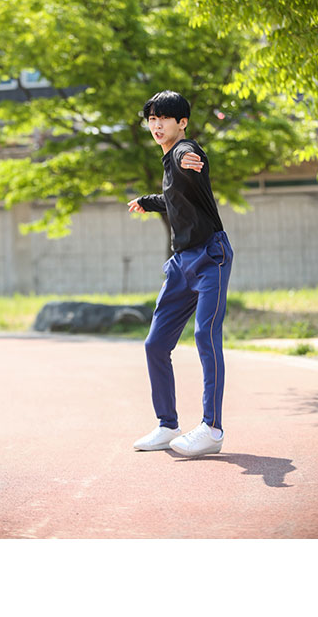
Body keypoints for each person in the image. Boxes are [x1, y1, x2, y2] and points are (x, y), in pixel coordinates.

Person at [128, 90, 235, 457]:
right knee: (155, 344)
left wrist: (189, 157)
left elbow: (188, 154)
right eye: (152, 119)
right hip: (180, 265)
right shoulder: (168, 163)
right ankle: (167, 425)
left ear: (182, 122)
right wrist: (148, 202)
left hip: (210, 257)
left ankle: (212, 429)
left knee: (205, 335)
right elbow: (173, 200)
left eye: (164, 119)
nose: (157, 125)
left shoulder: (183, 152)